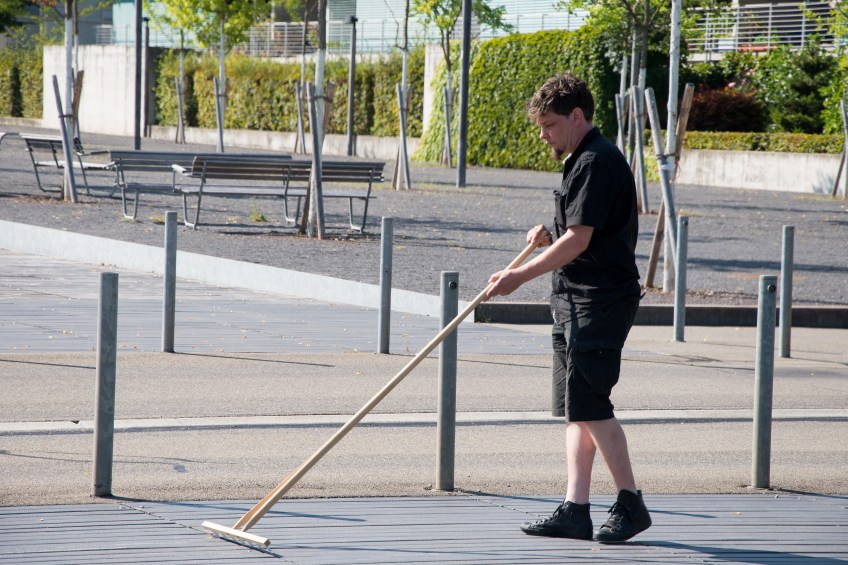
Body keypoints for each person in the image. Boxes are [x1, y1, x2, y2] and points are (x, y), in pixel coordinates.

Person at [485, 72, 651, 543]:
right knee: (577, 409)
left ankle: (630, 502)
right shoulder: (581, 159)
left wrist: (519, 276)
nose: (543, 135)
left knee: (592, 405)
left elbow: (579, 241)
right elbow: (579, 231)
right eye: (540, 127)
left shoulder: (596, 161)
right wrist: (548, 235)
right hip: (575, 300)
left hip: (599, 301)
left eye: (550, 125)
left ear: (577, 116)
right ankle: (575, 509)